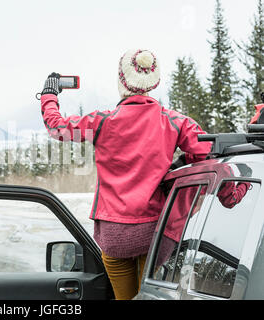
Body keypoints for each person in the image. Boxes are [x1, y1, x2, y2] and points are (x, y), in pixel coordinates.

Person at [39, 49, 212, 300]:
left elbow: (58, 129)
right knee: (149, 296)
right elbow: (205, 153)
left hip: (114, 237)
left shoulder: (102, 122)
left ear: (121, 80)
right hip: (155, 234)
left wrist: (49, 95)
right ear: (155, 82)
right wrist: (177, 166)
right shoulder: (175, 122)